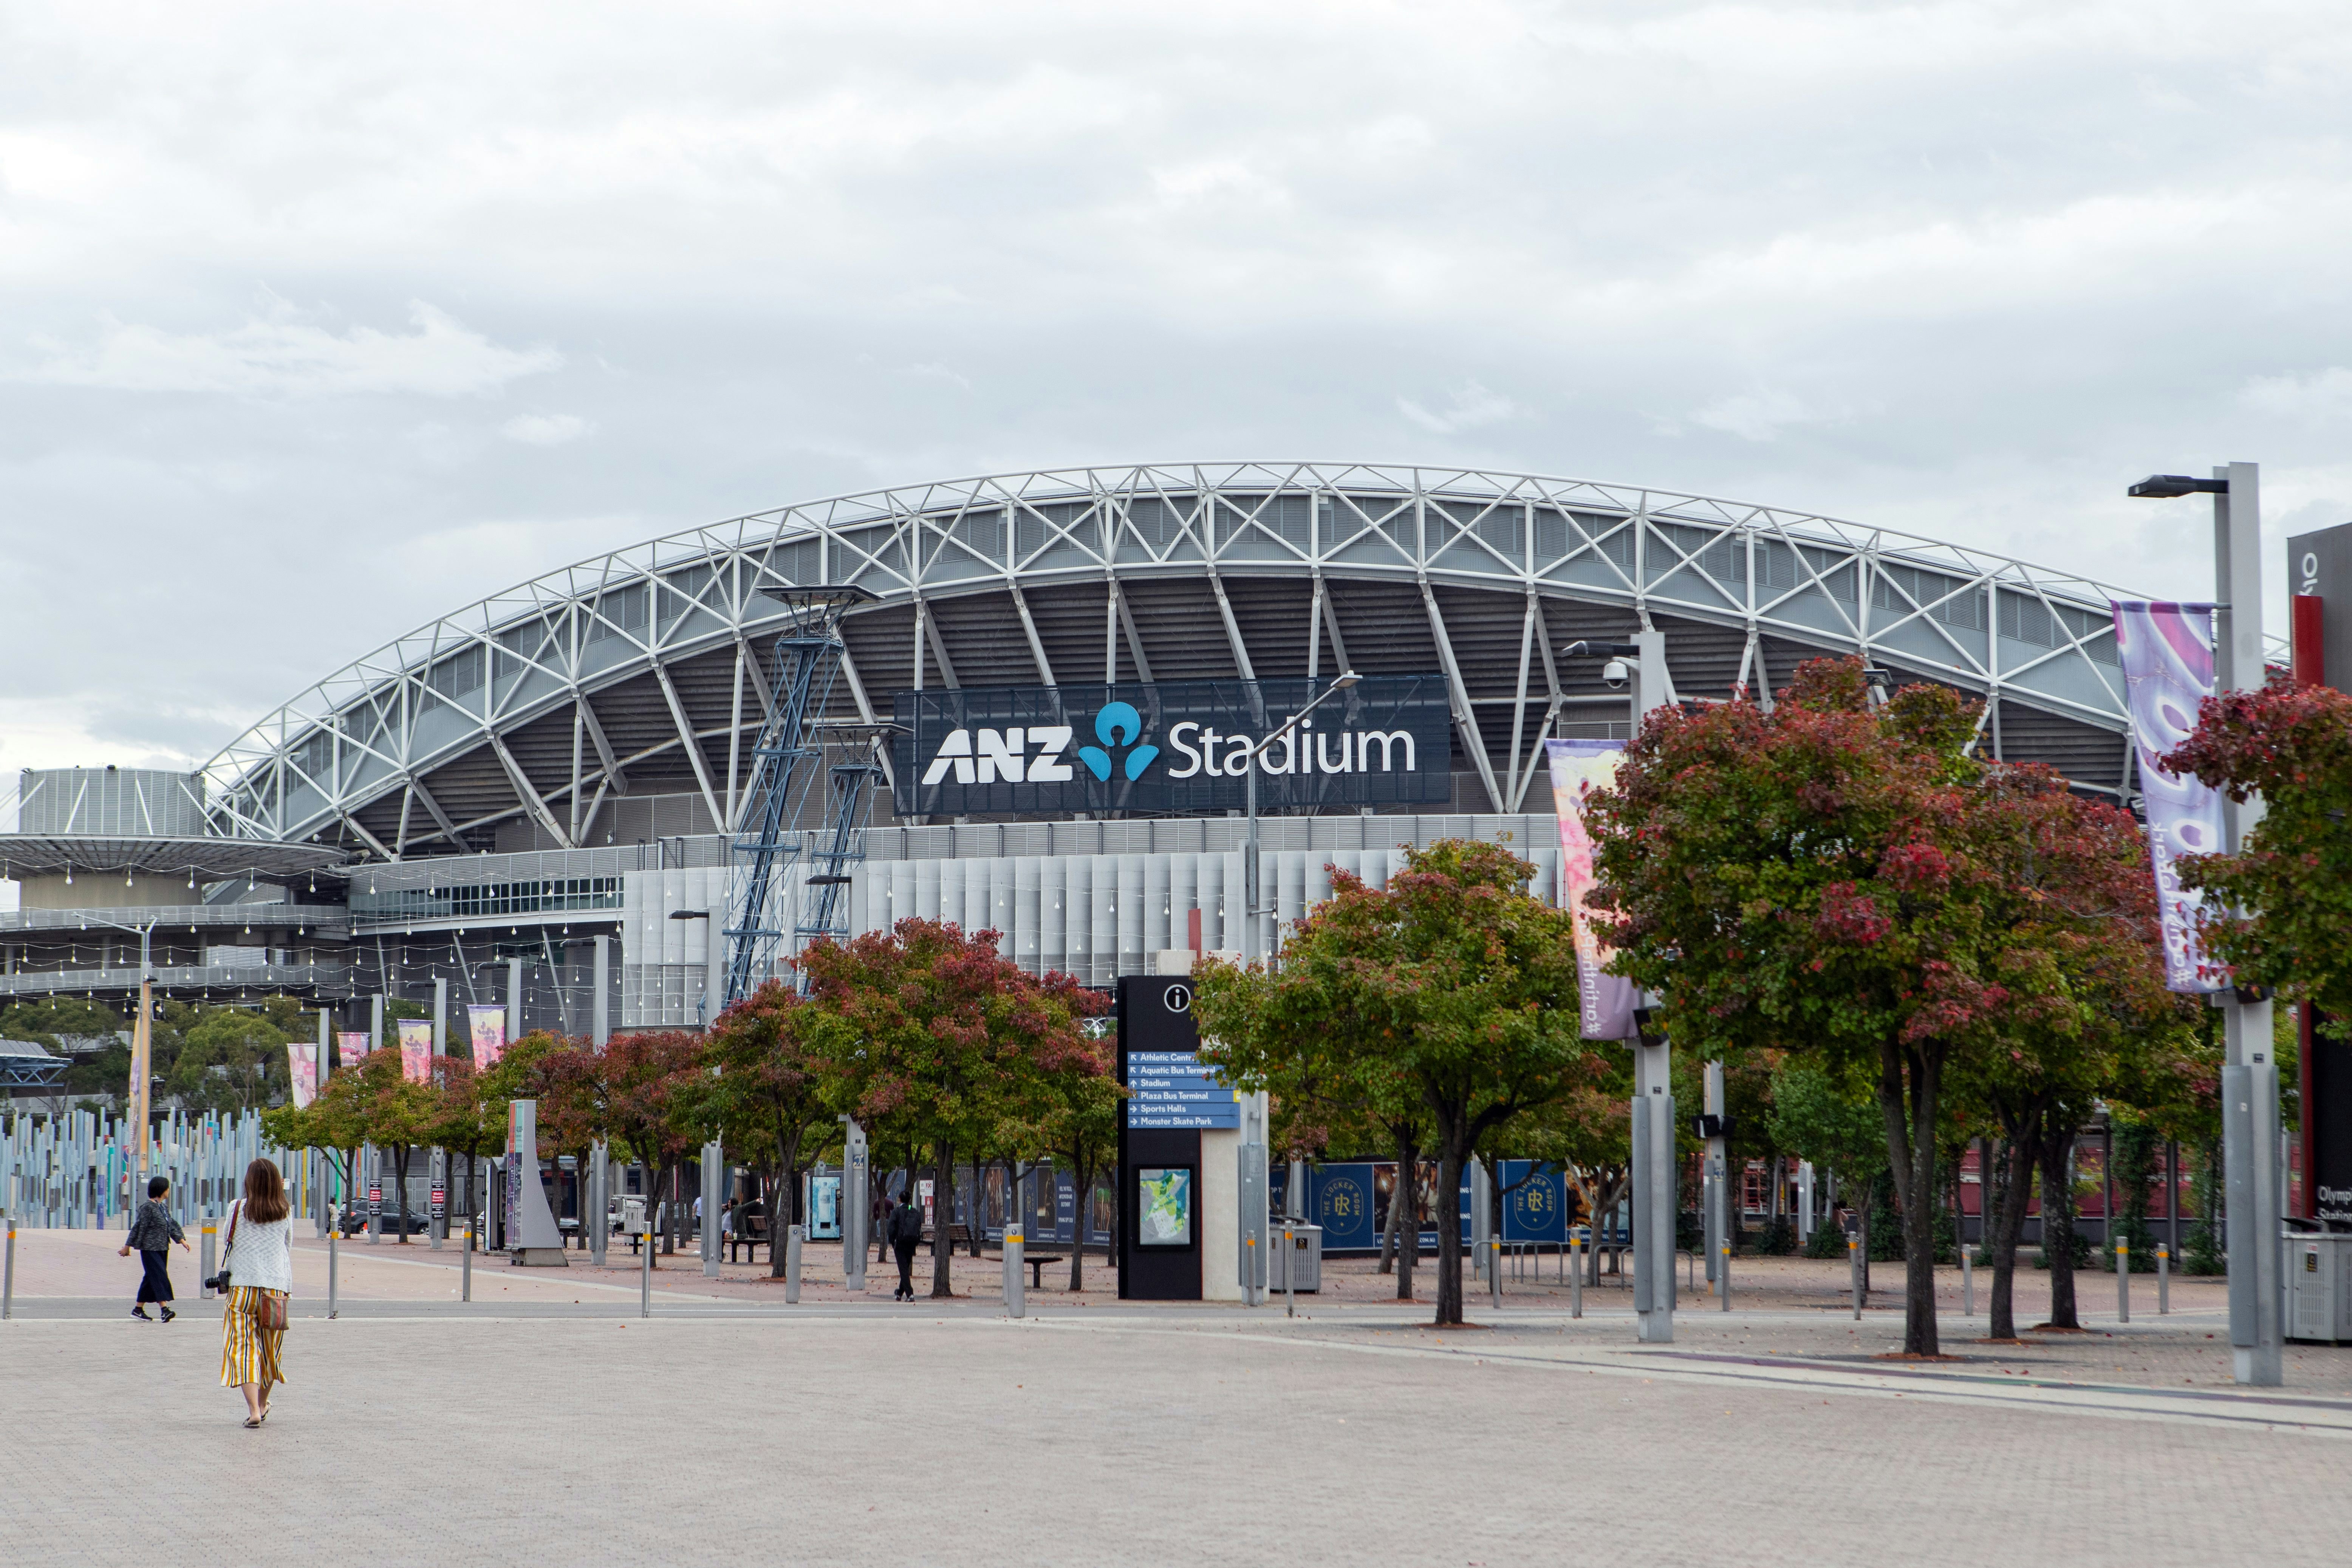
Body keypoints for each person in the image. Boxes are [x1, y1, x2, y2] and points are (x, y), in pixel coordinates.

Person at [217, 1156, 293, 1429]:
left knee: (242, 1346)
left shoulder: (236, 1208)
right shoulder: (284, 1210)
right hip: (275, 1288)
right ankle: (263, 1403)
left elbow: (228, 1237)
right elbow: (287, 1246)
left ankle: (253, 1410)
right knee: (271, 1350)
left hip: (241, 1287)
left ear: (249, 1181)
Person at [119, 1175, 190, 1321]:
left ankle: (138, 1310)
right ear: (161, 1190)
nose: (169, 1191)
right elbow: (138, 1227)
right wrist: (127, 1247)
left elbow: (171, 1225)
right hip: (150, 1249)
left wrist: (182, 1240)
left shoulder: (163, 1207)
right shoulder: (148, 1207)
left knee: (151, 1278)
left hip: (163, 1249)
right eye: (167, 1188)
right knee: (159, 1276)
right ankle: (164, 1310)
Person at [888, 1192, 924, 1300]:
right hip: (912, 1243)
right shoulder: (915, 1212)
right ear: (909, 1200)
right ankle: (899, 1293)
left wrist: (892, 1242)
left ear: (900, 1200)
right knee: (905, 1267)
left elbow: (891, 1228)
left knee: (903, 1269)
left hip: (900, 1244)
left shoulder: (896, 1212)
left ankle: (910, 1294)